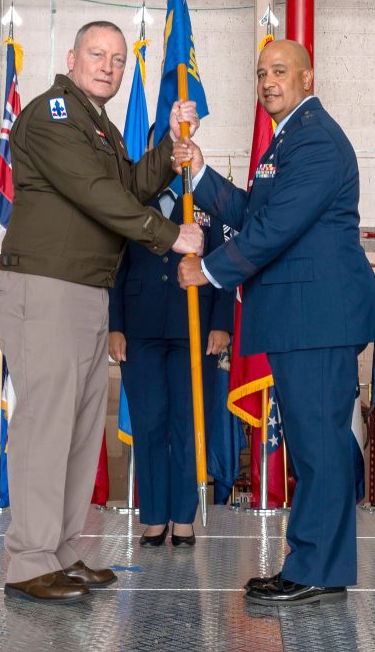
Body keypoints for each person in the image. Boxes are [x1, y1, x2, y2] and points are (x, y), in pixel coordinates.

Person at [0, 20, 203, 604]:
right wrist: (171, 235)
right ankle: (29, 561)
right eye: (97, 54)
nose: (109, 65)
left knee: (80, 430)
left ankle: (58, 551)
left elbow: (130, 184)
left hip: (85, 290)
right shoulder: (52, 114)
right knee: (45, 427)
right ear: (71, 57)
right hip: (46, 288)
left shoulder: (100, 126)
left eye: (117, 58)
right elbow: (94, 192)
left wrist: (168, 149)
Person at [176, 39, 375, 606]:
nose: (268, 81)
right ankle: (314, 562)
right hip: (303, 316)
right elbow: (258, 213)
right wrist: (200, 176)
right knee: (314, 443)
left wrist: (210, 272)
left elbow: (277, 229)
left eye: (280, 71)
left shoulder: (315, 138)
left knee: (318, 445)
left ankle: (318, 569)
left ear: (307, 77)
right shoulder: (289, 137)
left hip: (318, 316)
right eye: (261, 72)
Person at [108, 169, 234, 547]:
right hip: (140, 329)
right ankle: (153, 517)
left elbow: (227, 262)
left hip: (195, 327)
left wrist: (222, 324)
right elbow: (114, 267)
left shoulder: (207, 202)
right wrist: (115, 326)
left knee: (189, 424)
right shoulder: (129, 200)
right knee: (149, 425)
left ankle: (182, 517)